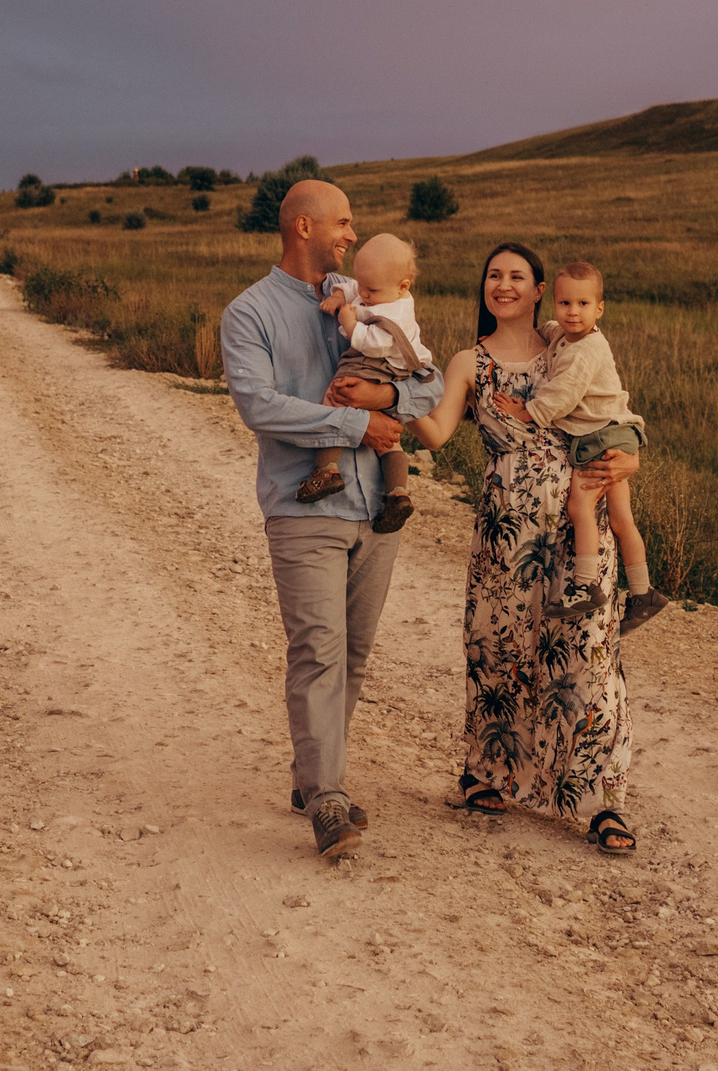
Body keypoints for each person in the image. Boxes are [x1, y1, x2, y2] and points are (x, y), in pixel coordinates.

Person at [220, 180, 447, 859]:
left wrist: (384, 394)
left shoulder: (370, 295)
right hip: (302, 505)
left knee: (353, 653)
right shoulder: (249, 314)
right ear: (303, 228)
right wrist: (360, 421)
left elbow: (428, 381)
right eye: (342, 223)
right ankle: (327, 799)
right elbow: (261, 407)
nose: (351, 234)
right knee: (317, 650)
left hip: (377, 506)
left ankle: (314, 778)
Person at [408, 243, 644, 855]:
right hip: (506, 529)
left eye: (517, 276)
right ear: (482, 287)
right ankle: (488, 772)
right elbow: (435, 432)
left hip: (578, 521)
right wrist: (387, 401)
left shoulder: (571, 343)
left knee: (588, 654)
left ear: (539, 289)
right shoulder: (470, 362)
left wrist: (631, 456)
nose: (504, 285)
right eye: (493, 275)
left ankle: (600, 800)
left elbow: (614, 412)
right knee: (501, 648)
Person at [488, 260, 662, 633]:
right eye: (565, 304)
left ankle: (584, 587)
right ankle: (643, 592)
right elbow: (554, 332)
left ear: (600, 308)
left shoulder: (586, 350)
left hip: (602, 437)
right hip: (615, 430)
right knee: (621, 518)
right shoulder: (568, 336)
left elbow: (562, 396)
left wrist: (527, 411)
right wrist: (540, 328)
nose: (572, 312)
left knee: (579, 505)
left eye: (583, 305)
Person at [297, 232, 434, 531]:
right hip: (395, 373)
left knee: (335, 399)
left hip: (376, 365)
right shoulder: (379, 288)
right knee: (390, 440)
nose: (364, 293)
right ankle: (397, 494)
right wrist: (340, 295)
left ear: (403, 287)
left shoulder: (394, 312)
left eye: (371, 289)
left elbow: (373, 344)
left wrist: (348, 322)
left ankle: (327, 470)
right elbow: (351, 288)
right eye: (361, 284)